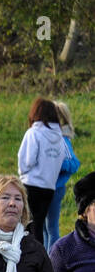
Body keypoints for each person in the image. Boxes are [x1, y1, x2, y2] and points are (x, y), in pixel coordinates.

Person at [17, 98, 66, 241]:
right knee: (38, 227)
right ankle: (39, 258)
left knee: (25, 225)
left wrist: (23, 173)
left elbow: (27, 160)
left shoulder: (33, 133)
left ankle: (24, 259)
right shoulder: (59, 137)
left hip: (31, 185)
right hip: (49, 188)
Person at [46, 102, 82, 250]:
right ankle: (42, 260)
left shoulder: (62, 139)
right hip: (42, 188)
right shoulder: (43, 137)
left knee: (51, 227)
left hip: (55, 188)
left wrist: (56, 165)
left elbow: (73, 163)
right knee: (41, 227)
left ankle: (52, 261)